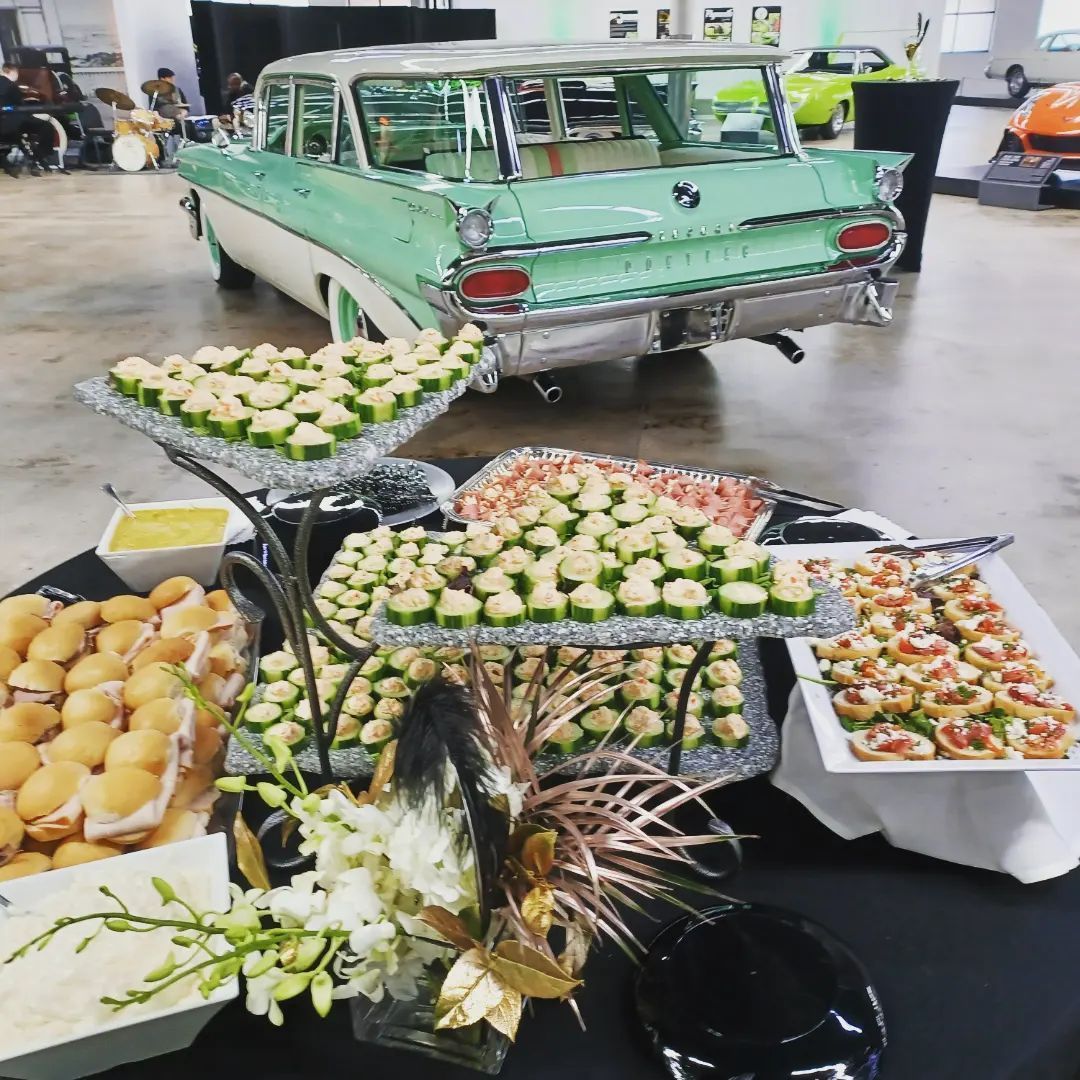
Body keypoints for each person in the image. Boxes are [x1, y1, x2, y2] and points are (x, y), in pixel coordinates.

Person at [0, 63, 54, 176]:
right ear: (11, 71)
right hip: (12, 123)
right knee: (47, 126)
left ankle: (12, 162)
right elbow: (20, 106)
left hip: (4, 129)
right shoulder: (11, 85)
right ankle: (38, 157)